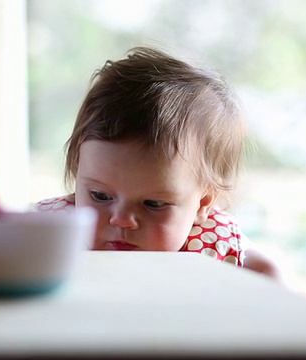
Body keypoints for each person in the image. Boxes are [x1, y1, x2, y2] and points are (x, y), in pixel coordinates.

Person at [35, 46, 281, 281]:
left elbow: (266, 274)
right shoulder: (51, 233)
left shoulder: (213, 250)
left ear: (202, 204)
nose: (121, 219)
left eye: (153, 204)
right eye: (100, 196)